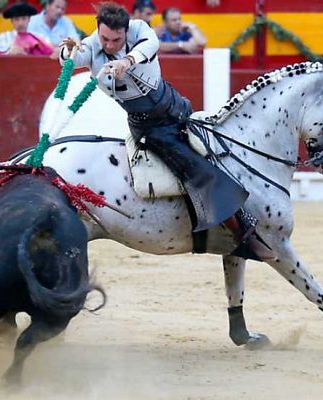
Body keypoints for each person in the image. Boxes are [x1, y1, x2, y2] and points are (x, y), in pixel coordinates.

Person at [58, 2, 272, 260]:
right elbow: (71, 59)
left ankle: (242, 210)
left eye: (116, 39)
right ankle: (243, 235)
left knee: (216, 151)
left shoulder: (139, 30)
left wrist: (128, 60)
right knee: (195, 168)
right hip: (151, 128)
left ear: (126, 32)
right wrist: (66, 51)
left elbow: (151, 44)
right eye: (105, 38)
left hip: (178, 106)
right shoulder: (92, 46)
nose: (109, 44)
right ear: (98, 31)